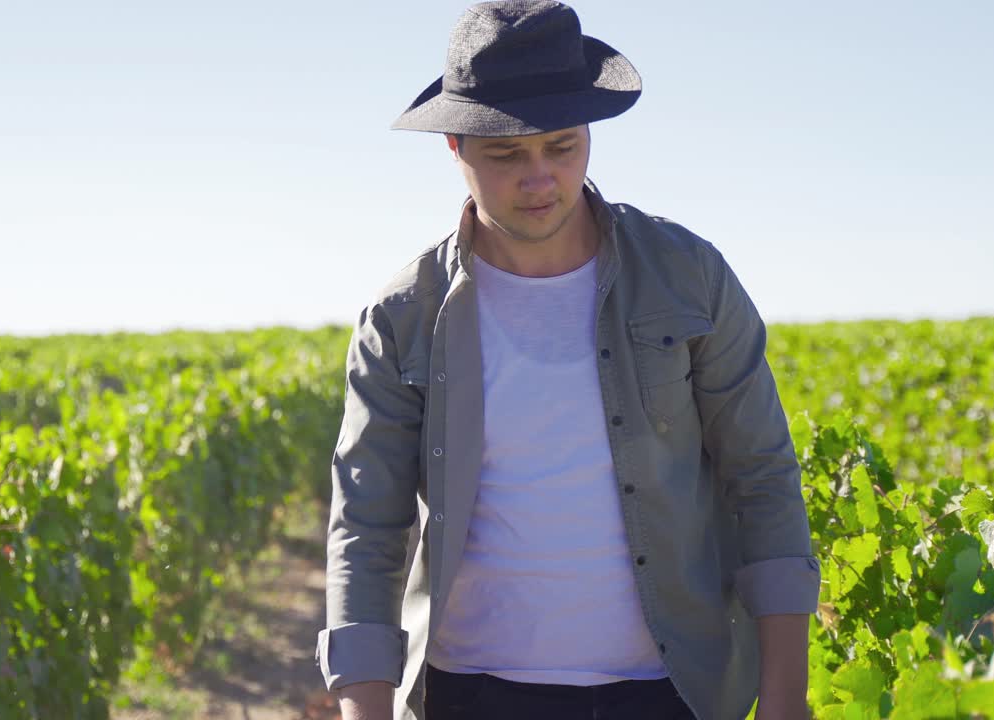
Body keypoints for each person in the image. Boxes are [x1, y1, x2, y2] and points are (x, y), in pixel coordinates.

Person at [314, 2, 820, 718]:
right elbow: (367, 528)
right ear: (455, 146)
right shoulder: (402, 316)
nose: (540, 179)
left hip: (669, 693)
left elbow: (762, 476)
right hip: (472, 693)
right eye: (506, 156)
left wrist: (786, 700)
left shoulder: (688, 276)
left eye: (562, 147)